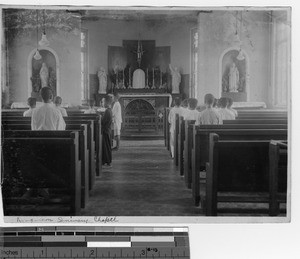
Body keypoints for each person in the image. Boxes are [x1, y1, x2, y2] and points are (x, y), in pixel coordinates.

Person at [102, 95, 113, 167]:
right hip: (108, 130)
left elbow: (103, 122)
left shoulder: (107, 111)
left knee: (106, 147)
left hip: (105, 131)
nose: (102, 103)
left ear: (106, 102)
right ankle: (107, 161)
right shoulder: (109, 110)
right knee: (107, 146)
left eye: (103, 102)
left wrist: (100, 118)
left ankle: (107, 161)